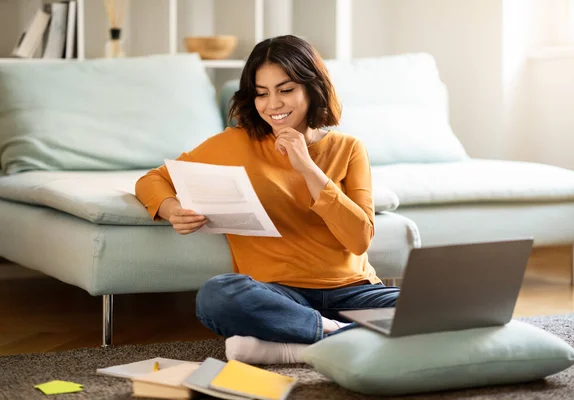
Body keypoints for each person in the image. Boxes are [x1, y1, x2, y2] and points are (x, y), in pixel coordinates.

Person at [135, 35, 399, 364]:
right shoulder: (234, 144)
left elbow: (359, 239)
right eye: (262, 93)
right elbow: (153, 179)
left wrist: (307, 167)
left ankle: (293, 345)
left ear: (312, 88)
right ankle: (333, 333)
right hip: (276, 294)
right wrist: (172, 209)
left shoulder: (348, 148)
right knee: (217, 296)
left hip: (354, 290)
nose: (272, 104)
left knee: (435, 305)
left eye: (285, 90)